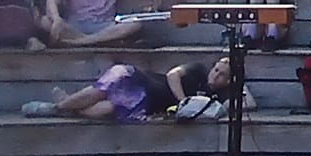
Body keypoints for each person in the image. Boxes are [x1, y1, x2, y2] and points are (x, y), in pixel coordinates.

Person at [27, 56, 236, 122]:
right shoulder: (199, 70)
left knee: (108, 109)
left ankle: (68, 107)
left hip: (148, 102)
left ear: (228, 81)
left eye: (222, 75)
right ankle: (56, 107)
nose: (215, 74)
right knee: (103, 90)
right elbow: (173, 75)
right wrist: (183, 102)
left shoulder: (219, 95)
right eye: (216, 69)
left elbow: (247, 102)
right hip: (143, 79)